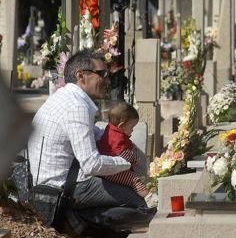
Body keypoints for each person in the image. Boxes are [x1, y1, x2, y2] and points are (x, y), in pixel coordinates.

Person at [27, 50, 154, 238]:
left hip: (52, 181)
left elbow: (93, 134)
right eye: (102, 74)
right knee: (139, 201)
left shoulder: (65, 97)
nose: (108, 80)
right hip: (61, 188)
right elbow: (92, 164)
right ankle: (78, 221)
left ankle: (79, 219)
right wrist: (126, 162)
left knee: (130, 185)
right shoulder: (76, 106)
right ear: (81, 76)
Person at [96, 102, 149, 198]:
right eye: (132, 127)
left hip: (108, 167)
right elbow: (121, 154)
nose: (132, 130)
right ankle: (148, 197)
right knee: (133, 179)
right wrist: (134, 158)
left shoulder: (110, 129)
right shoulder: (118, 138)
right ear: (121, 126)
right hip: (112, 171)